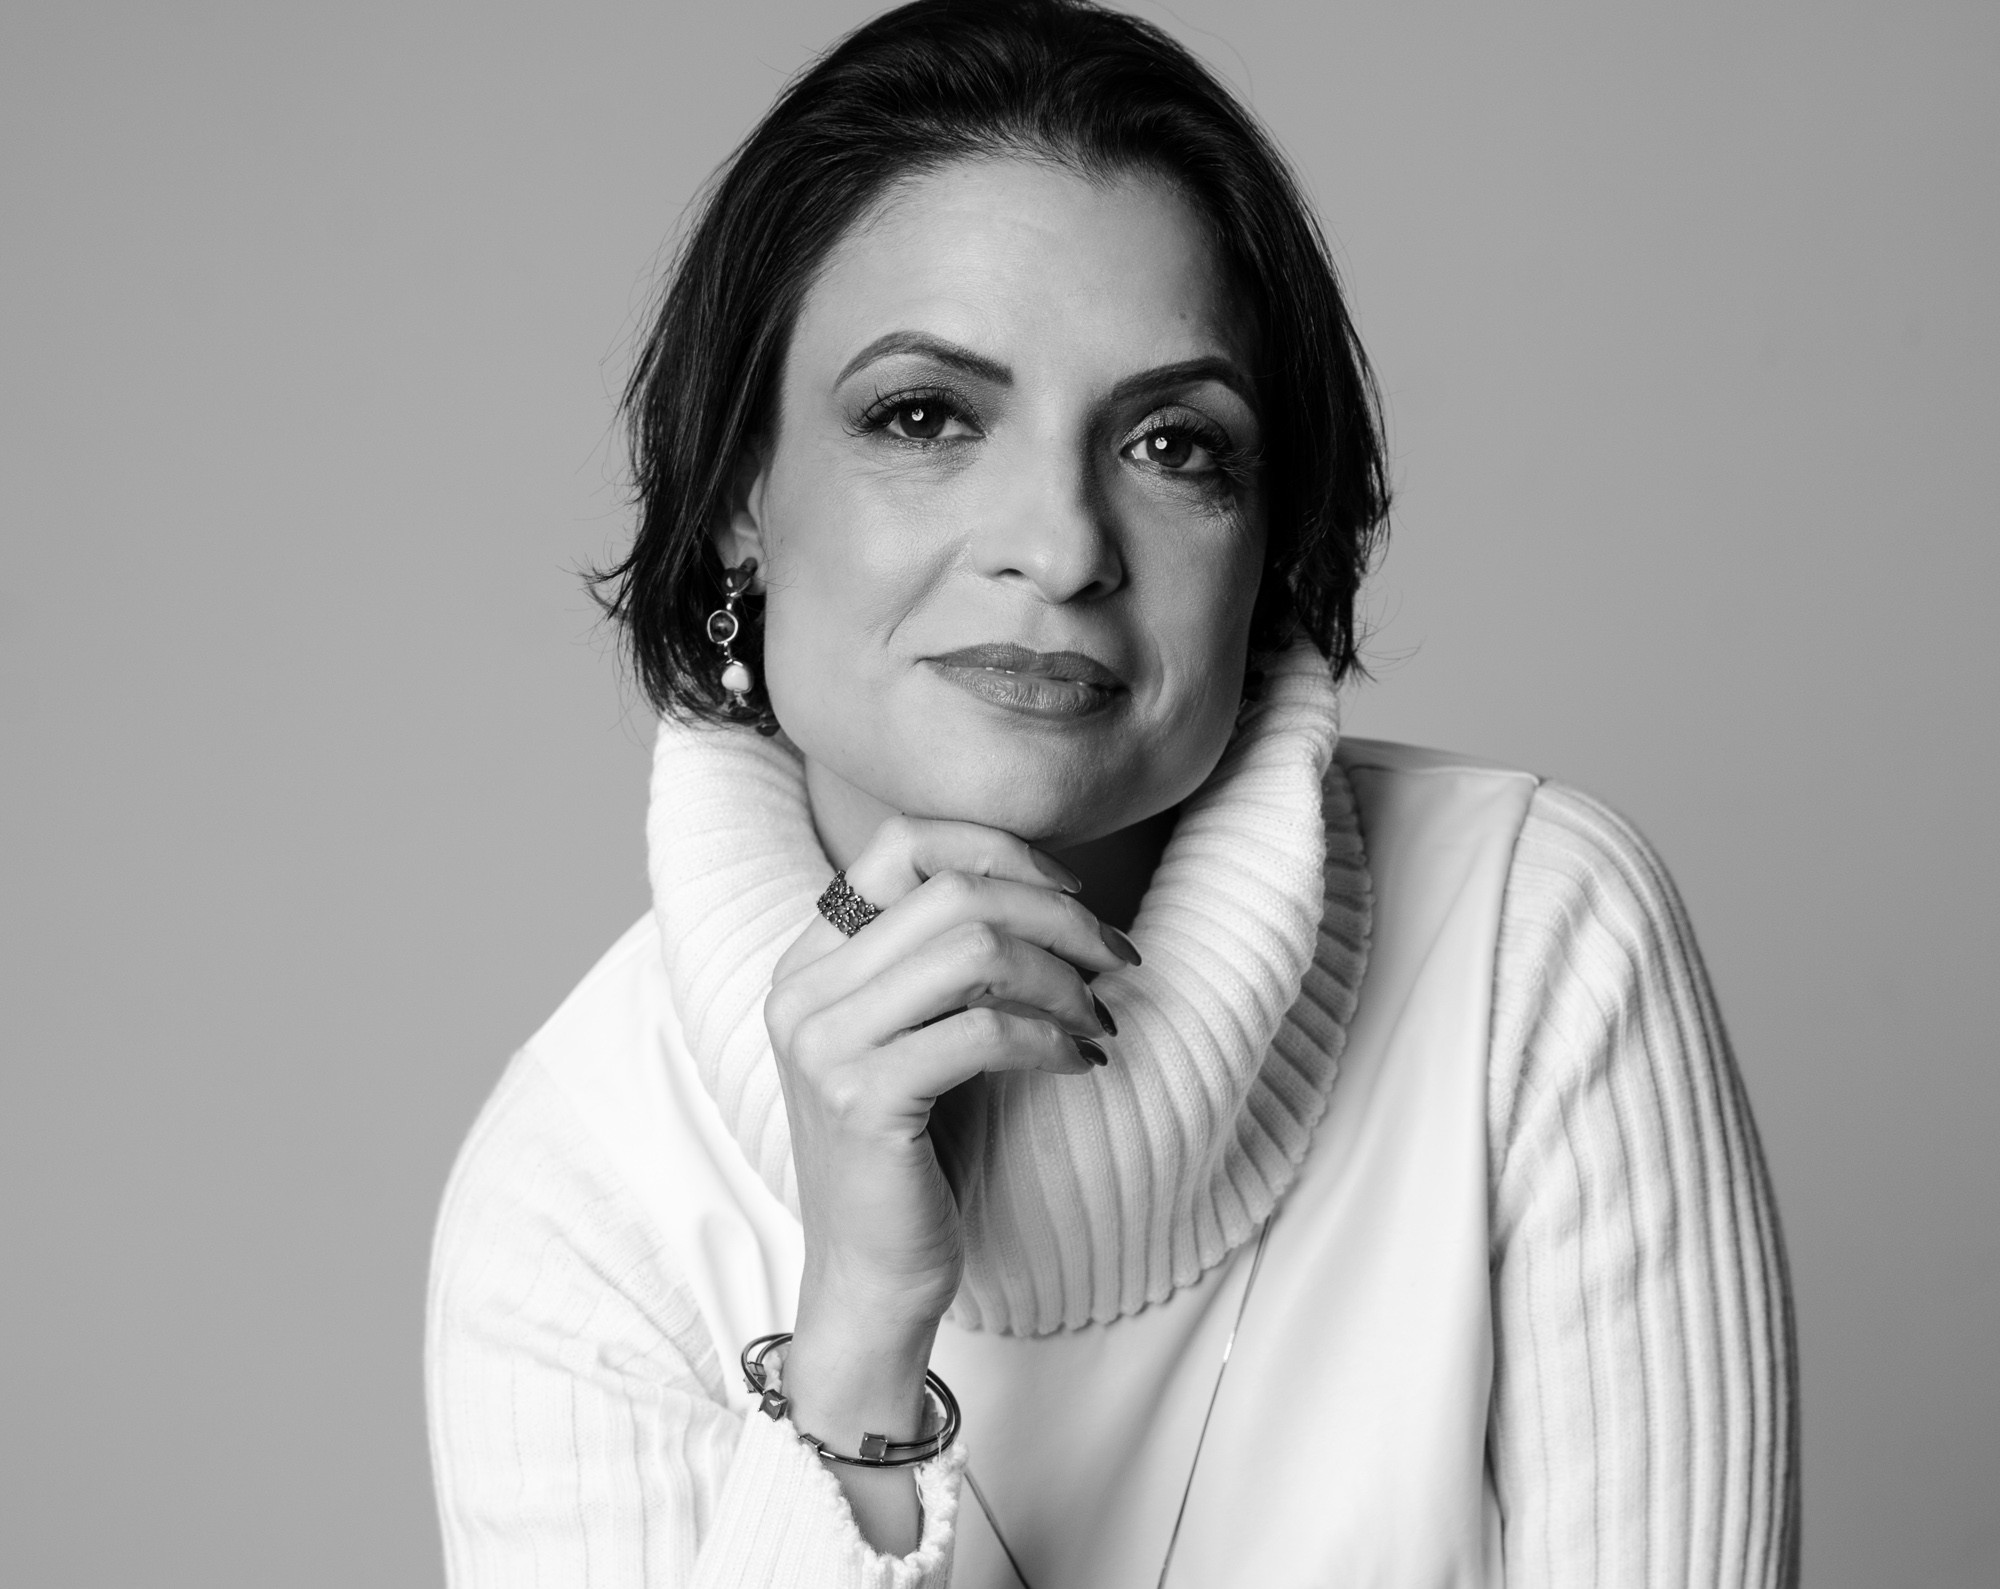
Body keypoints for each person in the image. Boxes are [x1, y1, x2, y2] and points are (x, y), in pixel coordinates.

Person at [424, 2, 1798, 1584]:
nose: (1062, 544)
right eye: (925, 416)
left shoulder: (1531, 952)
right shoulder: (583, 1194)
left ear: (1271, 534)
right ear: (741, 489)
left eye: (1170, 443)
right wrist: (857, 1335)